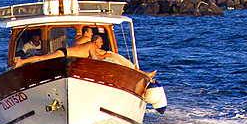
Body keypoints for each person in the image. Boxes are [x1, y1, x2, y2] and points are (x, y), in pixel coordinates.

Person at [14, 34, 157, 81]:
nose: (102, 43)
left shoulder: (91, 46)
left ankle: (22, 61)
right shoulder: (90, 46)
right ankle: (22, 61)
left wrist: (108, 55)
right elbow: (95, 58)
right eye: (101, 41)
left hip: (65, 52)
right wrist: (107, 57)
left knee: (42, 58)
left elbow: (101, 54)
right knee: (42, 58)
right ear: (96, 42)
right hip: (65, 53)